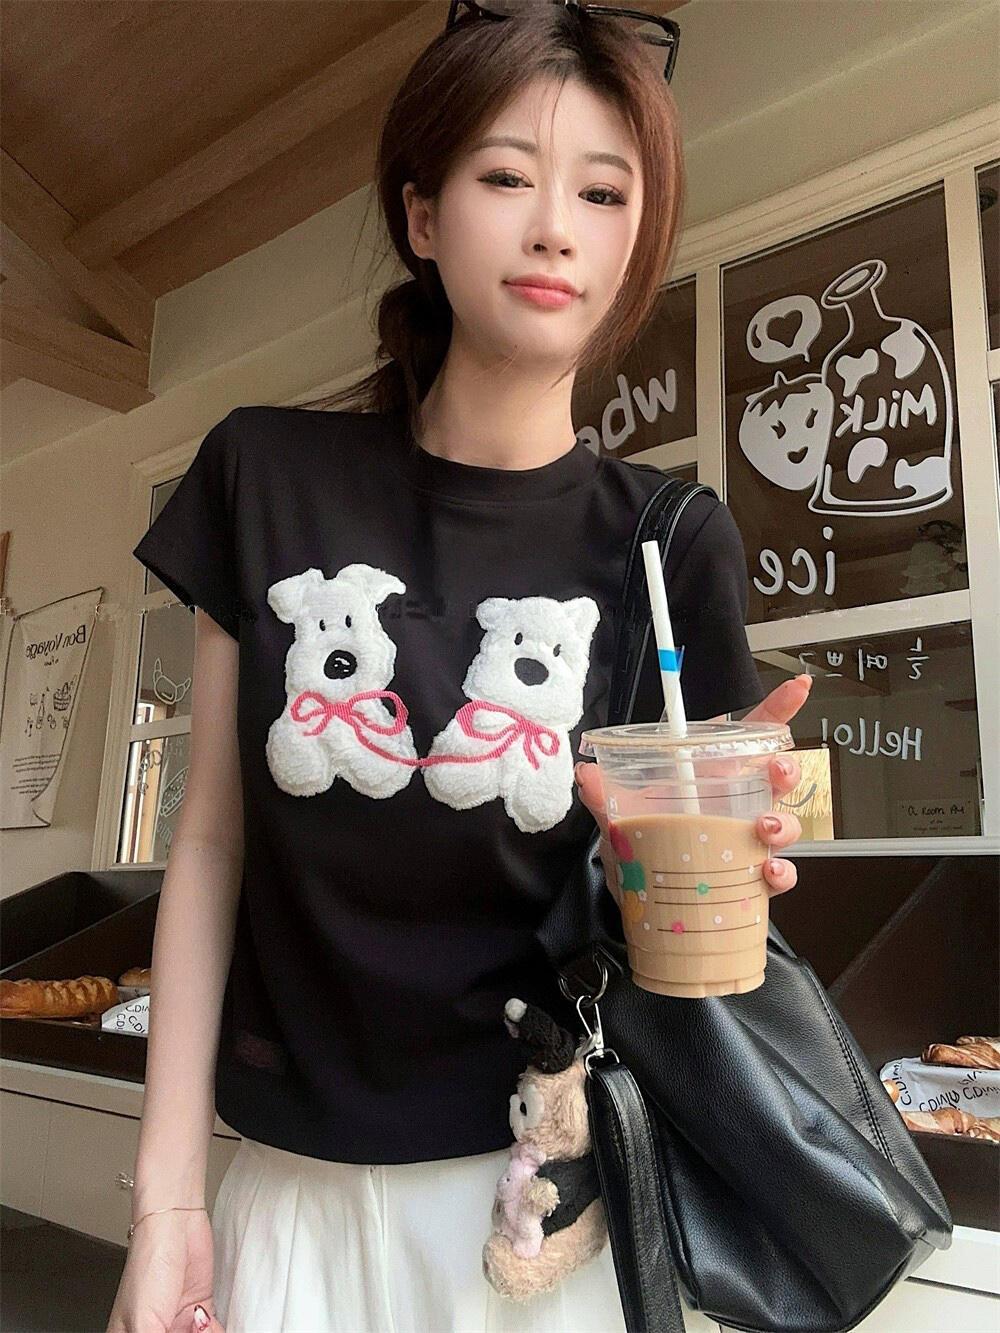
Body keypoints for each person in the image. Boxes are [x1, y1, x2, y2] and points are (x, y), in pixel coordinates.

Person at [107, 5, 810, 1332]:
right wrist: (166, 1205)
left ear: (636, 241)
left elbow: (683, 935)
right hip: (287, 1206)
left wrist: (719, 867)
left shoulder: (667, 546)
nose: (555, 229)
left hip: (543, 1218)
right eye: (506, 177)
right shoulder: (264, 478)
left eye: (603, 193)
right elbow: (209, 841)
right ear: (422, 215)